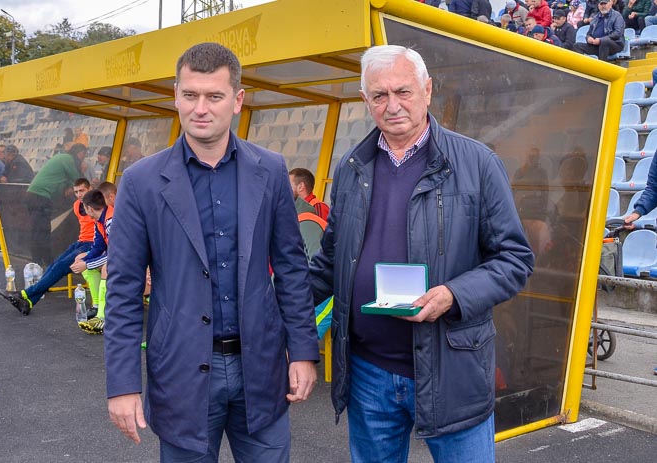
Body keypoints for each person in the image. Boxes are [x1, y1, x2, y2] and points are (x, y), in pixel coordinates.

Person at [309, 45, 534, 463]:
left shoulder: (478, 163)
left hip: (453, 371)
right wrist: (265, 298)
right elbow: (329, 260)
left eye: (403, 91)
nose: (392, 105)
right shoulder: (351, 168)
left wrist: (453, 294)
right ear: (365, 101)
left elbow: (514, 259)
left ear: (427, 90)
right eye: (379, 95)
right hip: (368, 373)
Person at [104, 42, 319, 461]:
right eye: (190, 95)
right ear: (176, 95)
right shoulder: (141, 181)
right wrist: (123, 384)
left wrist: (305, 352)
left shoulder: (271, 170)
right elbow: (124, 290)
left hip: (260, 370)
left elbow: (292, 269)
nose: (200, 108)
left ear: (237, 100)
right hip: (181, 374)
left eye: (214, 96)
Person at [0, 178, 97, 316]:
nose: (79, 194)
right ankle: (29, 302)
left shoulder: (97, 205)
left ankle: (25, 294)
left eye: (82, 191)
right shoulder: (76, 206)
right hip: (81, 242)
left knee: (60, 267)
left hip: (93, 244)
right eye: (76, 192)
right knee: (53, 265)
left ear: (90, 188)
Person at [25, 143, 87, 266]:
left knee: (39, 229)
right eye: (83, 156)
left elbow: (61, 182)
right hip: (40, 196)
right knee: (42, 230)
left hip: (34, 195)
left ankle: (40, 259)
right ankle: (44, 261)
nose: (83, 160)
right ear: (79, 153)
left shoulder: (60, 158)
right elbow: (77, 179)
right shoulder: (67, 159)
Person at [70, 184, 116, 334]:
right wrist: (84, 261)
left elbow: (117, 255)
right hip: (116, 257)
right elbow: (98, 247)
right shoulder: (99, 221)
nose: (86, 213)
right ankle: (97, 306)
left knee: (106, 267)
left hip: (135, 261)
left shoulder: (111, 220)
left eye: (85, 208)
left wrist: (87, 264)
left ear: (89, 207)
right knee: (81, 257)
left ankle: (103, 318)